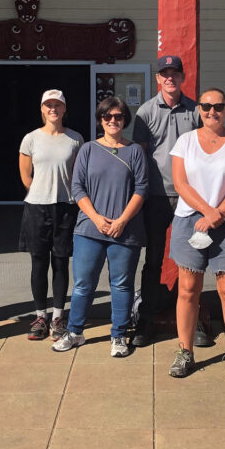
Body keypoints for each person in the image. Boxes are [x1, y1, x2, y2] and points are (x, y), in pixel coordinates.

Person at [167, 88, 225, 381]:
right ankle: (185, 351)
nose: (211, 111)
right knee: (187, 289)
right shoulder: (185, 142)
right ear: (199, 109)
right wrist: (207, 212)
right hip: (190, 220)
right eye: (206, 106)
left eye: (218, 106)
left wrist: (216, 215)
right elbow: (181, 184)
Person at [51, 96, 148, 357]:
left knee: (122, 285)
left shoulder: (135, 151)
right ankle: (75, 332)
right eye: (107, 116)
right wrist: (95, 217)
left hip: (124, 230)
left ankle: (118, 335)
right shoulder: (88, 149)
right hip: (89, 229)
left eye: (118, 116)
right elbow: (77, 186)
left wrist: (122, 221)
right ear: (101, 120)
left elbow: (141, 188)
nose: (113, 121)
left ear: (125, 119)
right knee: (83, 285)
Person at [131, 55, 204, 347]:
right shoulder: (145, 112)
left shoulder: (196, 111)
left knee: (194, 259)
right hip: (157, 197)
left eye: (175, 73)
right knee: (153, 261)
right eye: (165, 73)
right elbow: (140, 155)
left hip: (189, 197)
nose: (170, 78)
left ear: (182, 77)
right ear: (158, 78)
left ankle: (196, 318)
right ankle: (146, 319)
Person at [19, 89, 84, 341]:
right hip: (37, 206)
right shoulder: (31, 139)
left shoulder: (75, 139)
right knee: (38, 263)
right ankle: (40, 316)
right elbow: (26, 175)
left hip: (65, 206)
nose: (53, 109)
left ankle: (58, 316)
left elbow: (79, 175)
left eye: (57, 105)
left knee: (60, 262)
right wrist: (41, 191)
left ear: (64, 109)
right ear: (42, 109)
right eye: (48, 105)